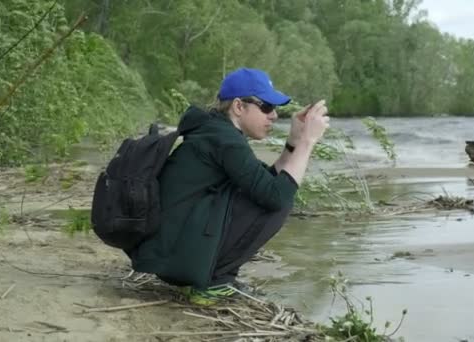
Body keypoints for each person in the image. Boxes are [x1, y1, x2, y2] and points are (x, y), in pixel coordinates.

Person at [129, 67, 329, 303]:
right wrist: (308, 142)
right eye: (266, 107)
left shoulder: (217, 132)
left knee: (269, 193)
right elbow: (278, 196)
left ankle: (209, 275)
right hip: (173, 258)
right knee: (279, 204)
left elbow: (265, 182)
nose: (274, 115)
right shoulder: (224, 140)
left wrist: (294, 142)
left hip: (167, 252)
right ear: (238, 107)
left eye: (274, 108)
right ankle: (214, 282)